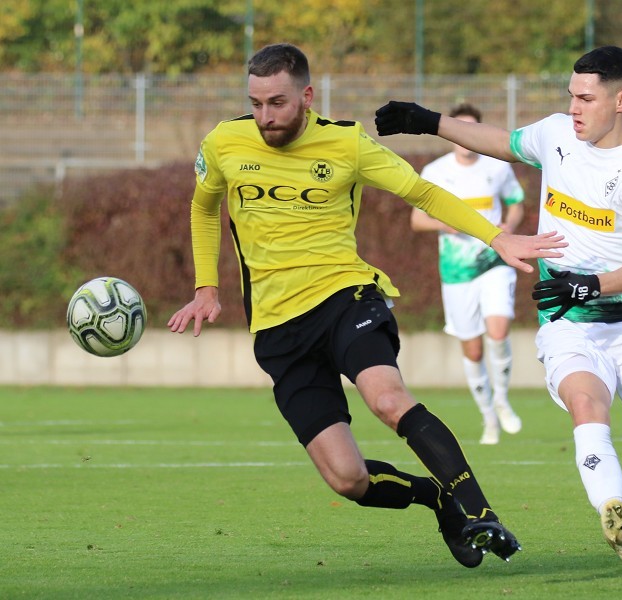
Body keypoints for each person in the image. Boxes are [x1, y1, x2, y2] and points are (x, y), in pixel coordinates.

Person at [376, 45, 622, 574]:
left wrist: (588, 286)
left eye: (586, 98)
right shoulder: (561, 134)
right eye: (571, 95)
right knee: (587, 405)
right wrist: (427, 122)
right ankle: (615, 513)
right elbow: (504, 143)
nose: (574, 107)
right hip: (569, 322)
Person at [167, 43, 568, 568]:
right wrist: (206, 287)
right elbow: (204, 206)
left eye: (278, 103)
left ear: (307, 96)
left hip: (345, 296)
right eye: (257, 102)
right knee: (347, 478)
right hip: (276, 328)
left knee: (386, 397)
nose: (265, 116)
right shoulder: (224, 142)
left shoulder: (346, 143)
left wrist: (497, 238)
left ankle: (479, 512)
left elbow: (423, 193)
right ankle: (437, 499)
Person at [411, 102, 526, 445]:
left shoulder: (497, 167)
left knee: (499, 327)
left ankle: (504, 400)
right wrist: (445, 223)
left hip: (493, 261)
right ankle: (488, 417)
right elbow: (416, 220)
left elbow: (516, 203)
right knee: (473, 351)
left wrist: (509, 226)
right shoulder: (434, 172)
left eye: (470, 130)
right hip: (457, 271)